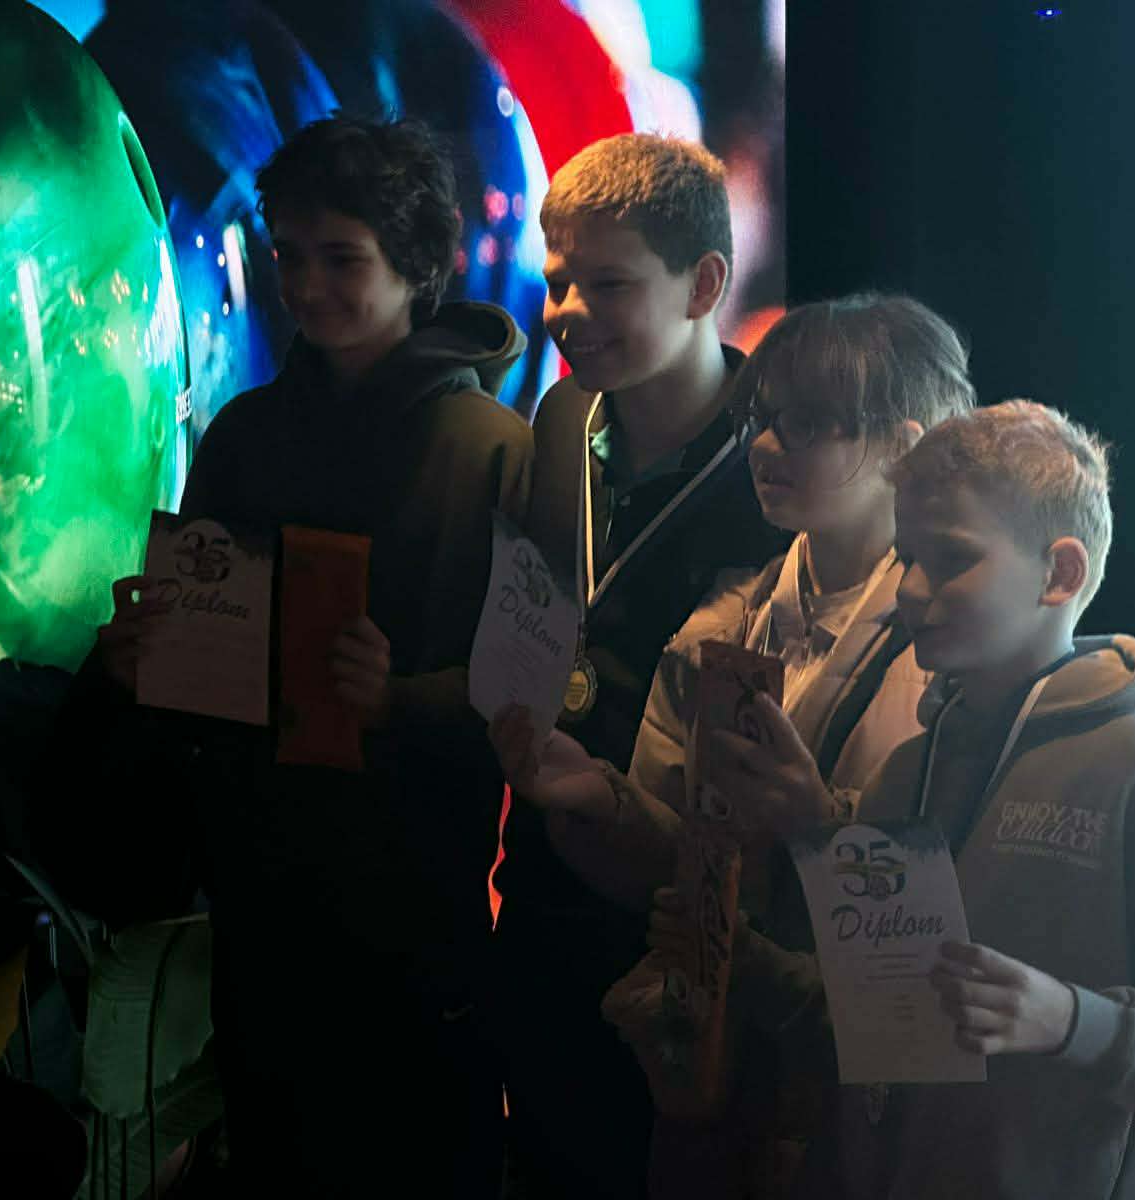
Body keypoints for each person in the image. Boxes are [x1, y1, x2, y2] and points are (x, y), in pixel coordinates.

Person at [93, 114, 533, 1198]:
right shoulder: (244, 434)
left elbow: (543, 694)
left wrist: (402, 700)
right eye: (289, 255)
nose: (306, 286)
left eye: (342, 259)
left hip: (414, 918)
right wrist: (142, 659)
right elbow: (197, 676)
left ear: (418, 266)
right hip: (259, 905)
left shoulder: (492, 451)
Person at [721, 400, 1135, 1198]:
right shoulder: (904, 773)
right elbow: (888, 1024)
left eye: (951, 558)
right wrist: (741, 964)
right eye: (907, 557)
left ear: (1060, 575)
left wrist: (1070, 1020)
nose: (910, 589)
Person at [493, 294, 976, 1195]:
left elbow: (941, 949)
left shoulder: (957, 654)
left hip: (870, 1106)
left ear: (904, 448)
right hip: (715, 1085)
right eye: (763, 418)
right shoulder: (727, 621)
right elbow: (680, 868)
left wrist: (816, 821)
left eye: (808, 425)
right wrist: (599, 795)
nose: (765, 446)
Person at [491, 131, 779, 1200]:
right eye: (557, 282)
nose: (568, 313)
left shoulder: (771, 469)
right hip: (545, 876)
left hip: (677, 904)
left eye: (608, 285)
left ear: (703, 285)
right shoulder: (560, 422)